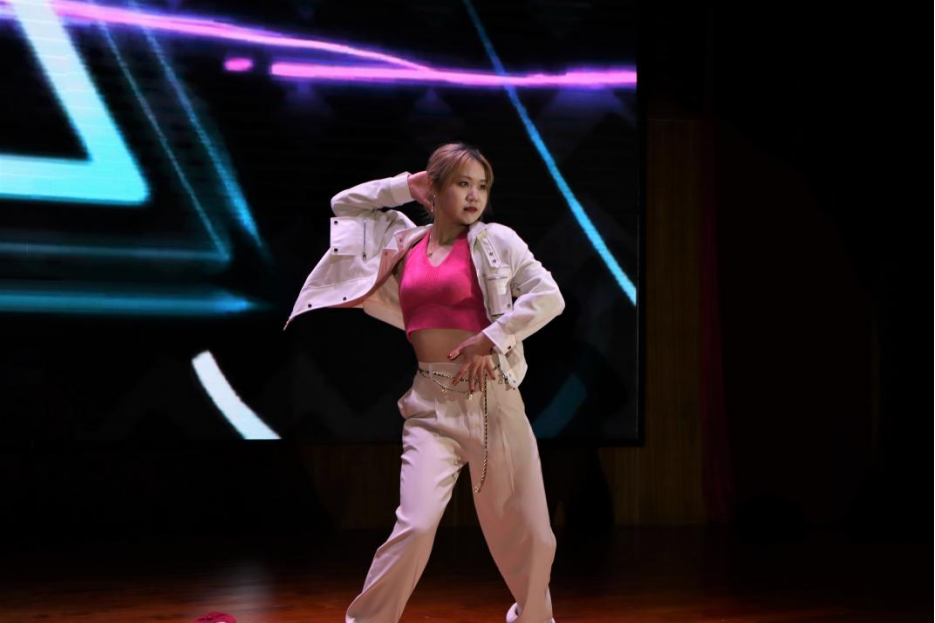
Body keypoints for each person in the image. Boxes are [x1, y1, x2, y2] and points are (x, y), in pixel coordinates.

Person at [284, 142, 565, 622]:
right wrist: (403, 186)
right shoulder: (403, 243)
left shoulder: (497, 240)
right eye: (462, 183)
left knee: (534, 536)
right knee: (414, 528)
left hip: (492, 402)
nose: (474, 195)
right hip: (430, 405)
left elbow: (549, 296)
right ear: (434, 188)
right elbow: (344, 205)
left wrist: (493, 337)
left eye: (482, 186)